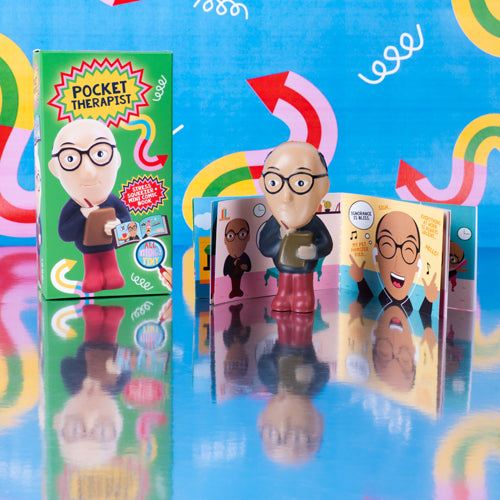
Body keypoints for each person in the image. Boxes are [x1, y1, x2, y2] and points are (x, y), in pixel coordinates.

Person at [49, 119, 131, 293]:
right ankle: (93, 276)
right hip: (88, 251)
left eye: (100, 154)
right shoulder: (73, 207)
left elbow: (128, 221)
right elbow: (65, 234)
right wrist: (82, 215)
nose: (88, 173)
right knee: (92, 278)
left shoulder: (112, 200)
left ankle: (112, 273)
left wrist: (118, 224)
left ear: (117, 159)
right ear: (54, 168)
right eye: (70, 158)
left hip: (109, 248)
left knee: (113, 275)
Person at [258, 141, 332, 313]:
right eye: (274, 182)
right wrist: (279, 237)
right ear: (263, 184)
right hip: (283, 270)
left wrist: (313, 251)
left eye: (300, 183)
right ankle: (283, 296)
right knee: (284, 287)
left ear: (323, 186)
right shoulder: (274, 223)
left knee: (302, 290)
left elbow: (327, 244)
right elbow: (265, 248)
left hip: (304, 271)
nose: (286, 196)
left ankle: (303, 297)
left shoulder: (313, 223)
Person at [349, 211, 438, 317]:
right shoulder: (379, 298)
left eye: (409, 249)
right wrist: (360, 281)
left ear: (418, 263)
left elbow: (423, 318)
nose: (397, 266)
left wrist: (428, 301)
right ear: (376, 253)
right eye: (388, 244)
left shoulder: (410, 306)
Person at [223, 218, 252, 298]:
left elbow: (249, 267)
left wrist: (245, 267)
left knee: (238, 281)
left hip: (240, 275)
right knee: (234, 281)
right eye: (230, 236)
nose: (236, 240)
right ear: (225, 240)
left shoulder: (244, 256)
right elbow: (225, 270)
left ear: (248, 237)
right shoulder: (229, 258)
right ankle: (235, 290)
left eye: (242, 234)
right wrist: (234, 265)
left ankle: (237, 290)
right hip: (233, 276)